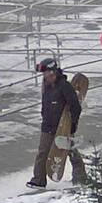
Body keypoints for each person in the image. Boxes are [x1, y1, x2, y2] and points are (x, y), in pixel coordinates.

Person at [26, 57, 84, 188]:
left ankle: (81, 178)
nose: (45, 76)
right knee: (43, 152)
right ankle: (38, 180)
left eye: (47, 73)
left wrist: (72, 125)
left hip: (63, 126)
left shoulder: (64, 86)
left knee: (70, 151)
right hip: (47, 126)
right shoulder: (46, 85)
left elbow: (75, 106)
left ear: (53, 72)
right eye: (44, 74)